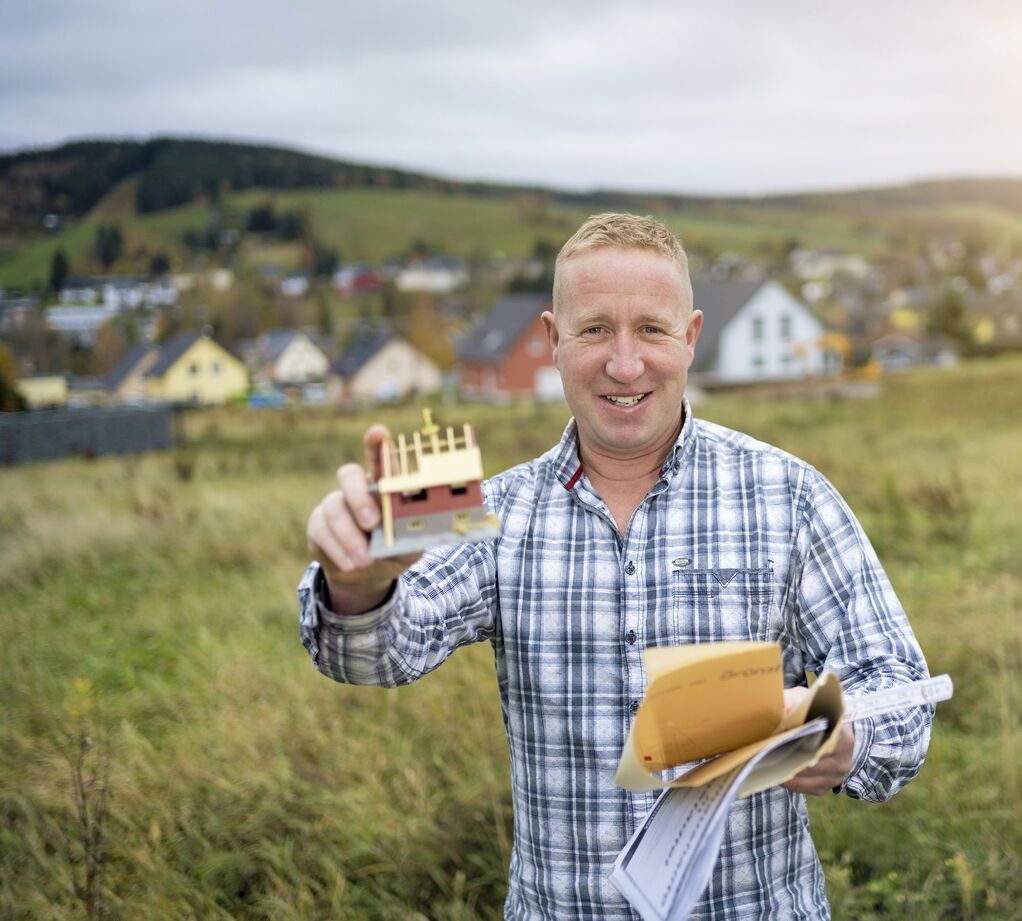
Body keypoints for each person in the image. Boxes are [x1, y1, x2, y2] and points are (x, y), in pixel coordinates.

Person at [300, 212, 933, 919]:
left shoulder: (789, 495)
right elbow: (378, 653)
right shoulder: (492, 509)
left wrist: (848, 739)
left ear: (691, 337)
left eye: (652, 330)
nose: (625, 364)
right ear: (552, 340)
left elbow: (900, 691)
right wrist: (357, 585)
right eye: (596, 328)